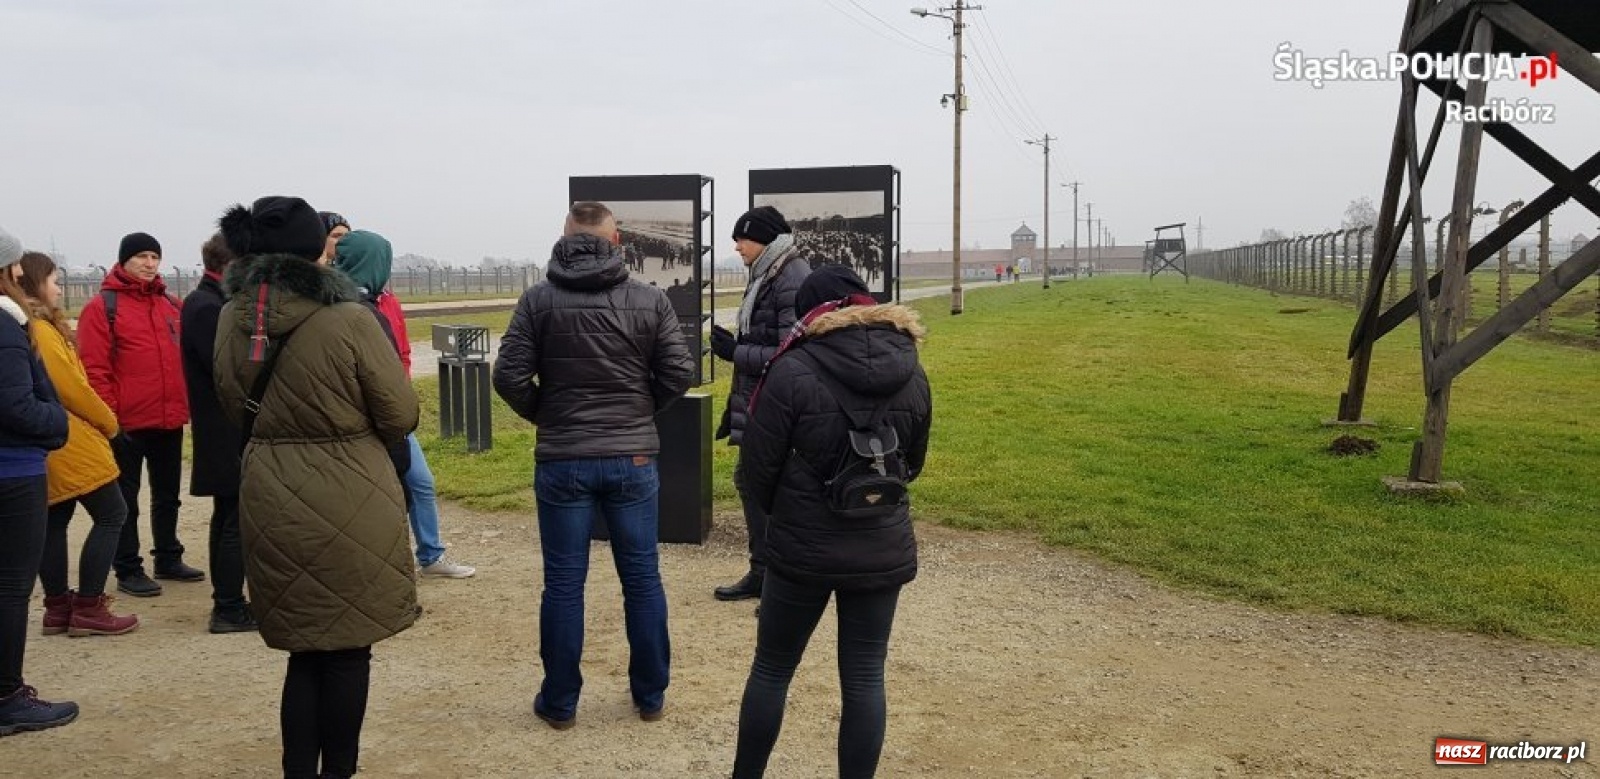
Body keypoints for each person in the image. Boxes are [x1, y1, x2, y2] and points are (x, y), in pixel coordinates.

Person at [213, 196, 419, 779]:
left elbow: (233, 401)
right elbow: (399, 413)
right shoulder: (351, 318)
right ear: (314, 249)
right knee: (349, 652)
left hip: (269, 482)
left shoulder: (235, 315)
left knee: (304, 653)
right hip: (349, 486)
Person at [493, 201, 694, 729]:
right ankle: (650, 696)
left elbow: (508, 376)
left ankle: (560, 703)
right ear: (616, 240)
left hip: (564, 459)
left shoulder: (538, 300)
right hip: (631, 457)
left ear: (565, 238)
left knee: (563, 583)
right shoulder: (649, 299)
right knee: (643, 578)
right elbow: (678, 371)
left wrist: (549, 415)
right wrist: (638, 411)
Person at [731, 265, 931, 779]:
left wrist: (788, 514)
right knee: (865, 677)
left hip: (802, 547)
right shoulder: (912, 368)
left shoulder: (792, 369)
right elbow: (913, 461)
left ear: (814, 313)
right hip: (880, 541)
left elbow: (756, 469)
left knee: (773, 669)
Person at [335, 229, 474, 579]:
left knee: (420, 483)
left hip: (392, 415)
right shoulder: (347, 310)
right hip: (366, 422)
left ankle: (430, 554)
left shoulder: (384, 303)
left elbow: (400, 353)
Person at [16, 252, 139, 638]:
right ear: (35, 283)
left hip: (52, 442)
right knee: (112, 514)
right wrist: (109, 422)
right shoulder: (44, 331)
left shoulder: (30, 327)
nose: (58, 286)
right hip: (71, 439)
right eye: (53, 279)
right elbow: (72, 389)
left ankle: (57, 607)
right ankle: (89, 605)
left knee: (55, 520)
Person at [76, 231, 201, 597]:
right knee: (125, 499)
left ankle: (167, 555)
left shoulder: (170, 306)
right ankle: (128, 566)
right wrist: (110, 420)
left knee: (167, 494)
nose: (149, 264)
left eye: (155, 257)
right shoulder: (102, 308)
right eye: (142, 256)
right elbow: (95, 369)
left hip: (168, 418)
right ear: (124, 260)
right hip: (126, 423)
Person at [710, 206, 811, 603]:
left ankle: (777, 579)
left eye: (741, 238)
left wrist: (735, 352)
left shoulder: (789, 276)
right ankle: (765, 573)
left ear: (764, 238)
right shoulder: (771, 271)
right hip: (763, 398)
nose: (736, 247)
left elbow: (791, 351)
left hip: (780, 401)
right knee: (754, 483)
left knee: (762, 485)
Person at [0, 226, 77, 734]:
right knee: (10, 585)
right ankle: (7, 695)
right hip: (13, 470)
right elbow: (17, 405)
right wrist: (58, 419)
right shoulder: (7, 328)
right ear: (11, 271)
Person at [180, 234, 256, 634]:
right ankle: (227, 605)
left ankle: (229, 601)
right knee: (234, 519)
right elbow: (227, 368)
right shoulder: (208, 307)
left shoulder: (207, 302)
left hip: (223, 426)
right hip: (225, 427)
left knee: (229, 515)